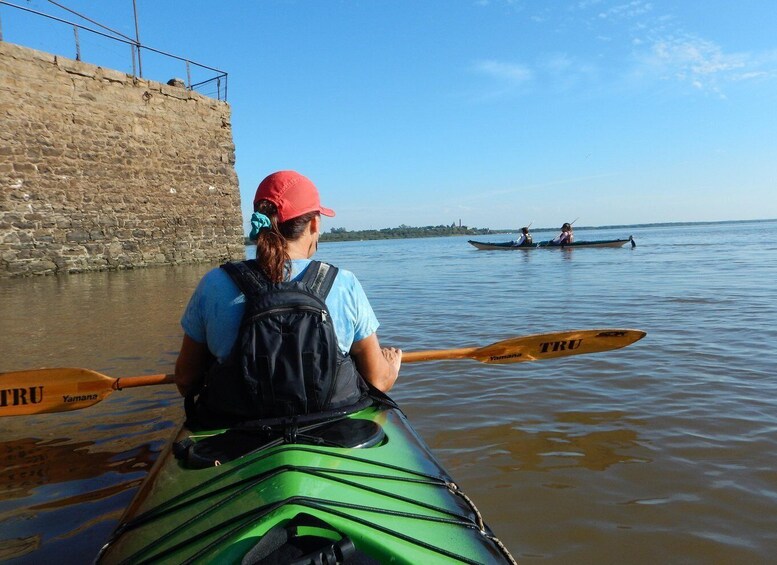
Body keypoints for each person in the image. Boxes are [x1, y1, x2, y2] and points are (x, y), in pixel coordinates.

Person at [175, 170, 401, 423]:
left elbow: (185, 381)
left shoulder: (214, 284)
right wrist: (391, 365)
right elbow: (377, 381)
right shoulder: (344, 283)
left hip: (238, 431)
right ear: (314, 223)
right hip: (331, 426)